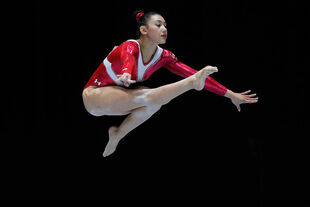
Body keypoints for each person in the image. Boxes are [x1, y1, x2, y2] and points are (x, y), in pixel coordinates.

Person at [82, 10, 258, 157]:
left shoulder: (164, 57)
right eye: (158, 25)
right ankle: (190, 84)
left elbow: (194, 72)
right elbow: (127, 57)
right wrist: (127, 72)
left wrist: (230, 94)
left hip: (118, 99)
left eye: (165, 25)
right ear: (143, 29)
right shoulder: (130, 46)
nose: (164, 29)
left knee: (155, 103)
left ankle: (117, 135)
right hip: (94, 96)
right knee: (147, 95)